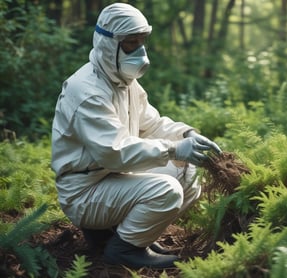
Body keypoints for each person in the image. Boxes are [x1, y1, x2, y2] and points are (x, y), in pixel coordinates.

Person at [51, 2, 222, 269]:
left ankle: (128, 236)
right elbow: (114, 152)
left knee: (187, 173)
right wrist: (174, 149)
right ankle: (123, 249)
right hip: (84, 192)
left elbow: (152, 123)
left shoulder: (124, 82)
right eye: (131, 43)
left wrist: (186, 133)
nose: (140, 50)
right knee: (166, 191)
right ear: (110, 44)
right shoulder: (87, 91)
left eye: (142, 41)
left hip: (111, 180)